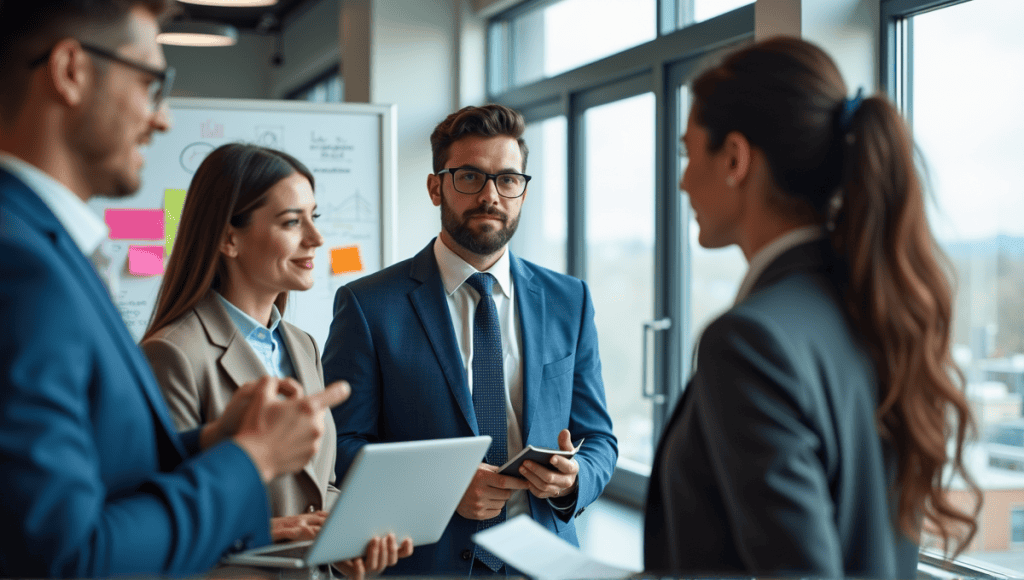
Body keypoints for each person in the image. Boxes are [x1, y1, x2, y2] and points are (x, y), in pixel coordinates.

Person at [0, 2, 348, 576]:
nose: (162, 119)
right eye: (151, 83)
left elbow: (98, 478)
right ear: (70, 71)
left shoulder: (50, 249)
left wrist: (212, 440)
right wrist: (249, 458)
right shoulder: (21, 266)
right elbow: (67, 557)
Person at [643, 37, 981, 578]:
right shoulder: (877, 308)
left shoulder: (749, 341)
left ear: (734, 157)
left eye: (688, 153)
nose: (682, 180)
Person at [321, 104, 617, 575]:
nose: (491, 196)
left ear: (522, 188)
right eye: (470, 178)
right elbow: (341, 445)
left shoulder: (569, 299)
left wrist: (574, 479)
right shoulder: (369, 305)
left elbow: (598, 437)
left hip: (543, 562)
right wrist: (441, 491)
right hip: (425, 564)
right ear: (436, 186)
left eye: (508, 180)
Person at [141, 142, 412, 579]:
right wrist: (268, 534)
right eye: (291, 222)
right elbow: (156, 516)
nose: (316, 238)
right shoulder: (172, 354)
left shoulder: (302, 344)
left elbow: (315, 484)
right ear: (229, 238)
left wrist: (350, 535)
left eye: (314, 217)